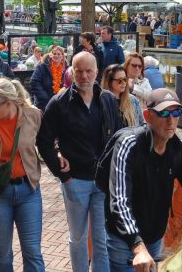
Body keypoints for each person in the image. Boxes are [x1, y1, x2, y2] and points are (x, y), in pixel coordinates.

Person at [103, 89, 182, 272]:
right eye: (163, 113)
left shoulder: (181, 149)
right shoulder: (129, 144)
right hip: (125, 237)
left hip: (154, 235)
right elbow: (119, 201)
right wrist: (138, 246)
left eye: (176, 112)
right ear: (147, 116)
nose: (171, 120)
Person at [37, 52, 123, 272]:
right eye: (79, 71)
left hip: (103, 181)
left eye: (88, 71)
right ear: (71, 72)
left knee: (101, 237)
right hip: (76, 181)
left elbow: (119, 136)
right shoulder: (59, 103)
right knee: (78, 237)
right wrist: (62, 173)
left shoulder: (107, 100)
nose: (84, 76)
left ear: (97, 72)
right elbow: (44, 141)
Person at [0, 78, 46, 272]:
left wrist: (58, 154)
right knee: (2, 253)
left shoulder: (33, 116)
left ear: (8, 103)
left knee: (32, 251)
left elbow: (46, 143)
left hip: (28, 191)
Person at [29, 45, 67, 111]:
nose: (56, 55)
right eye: (54, 53)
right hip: (44, 104)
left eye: (59, 54)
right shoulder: (42, 66)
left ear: (62, 56)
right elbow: (34, 82)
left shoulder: (66, 68)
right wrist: (45, 98)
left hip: (60, 103)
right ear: (50, 55)